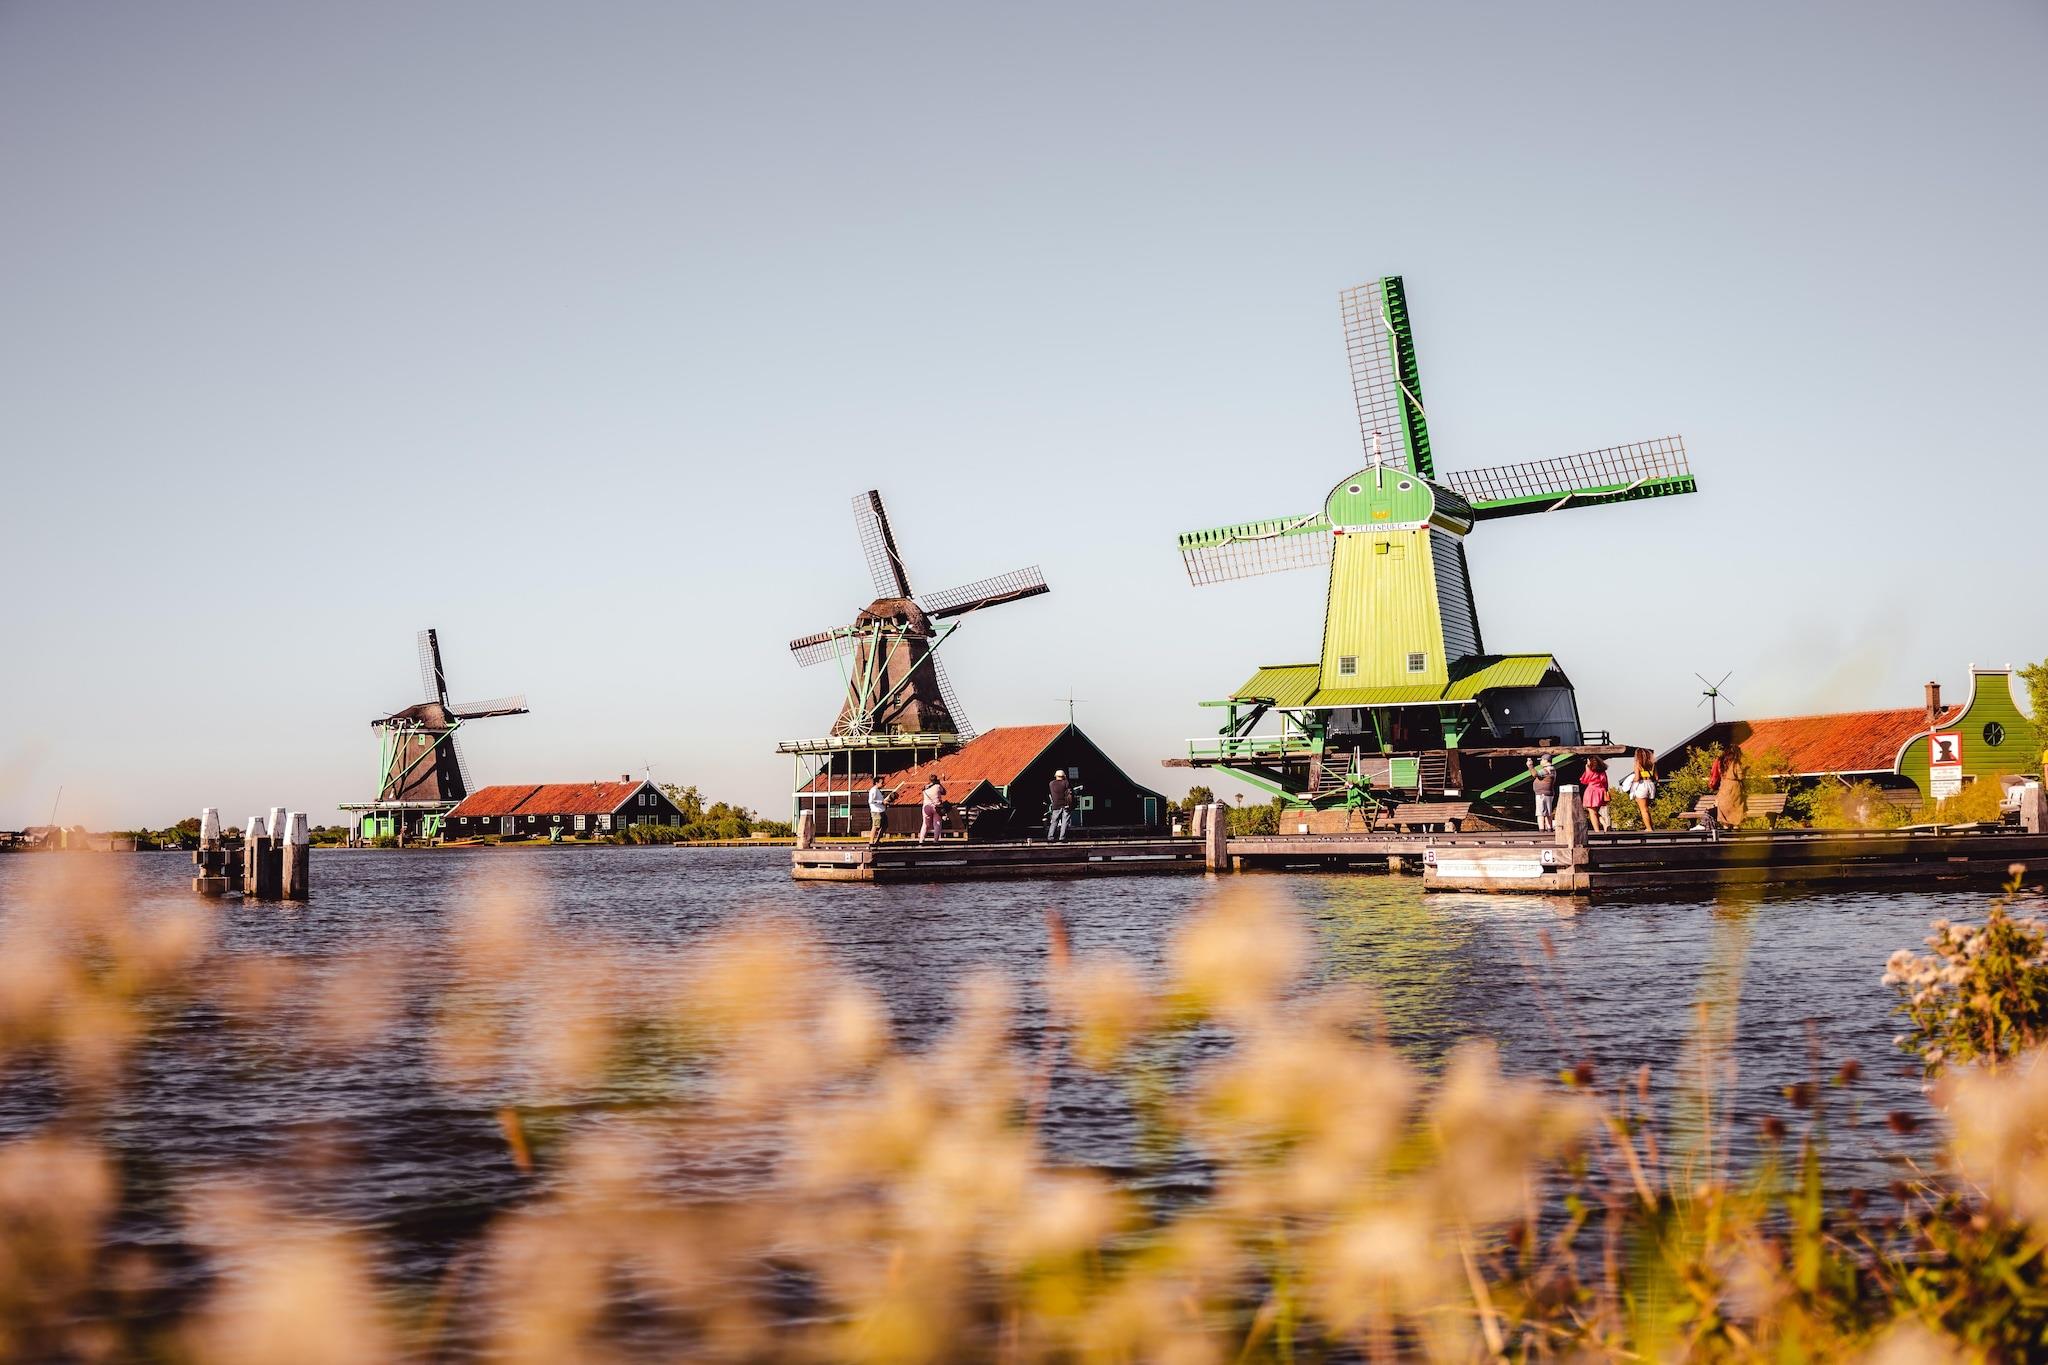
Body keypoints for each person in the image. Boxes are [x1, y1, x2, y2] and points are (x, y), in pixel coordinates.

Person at [1715, 745, 1748, 831]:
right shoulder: (1736, 763)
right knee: (1737, 807)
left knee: (1724, 807)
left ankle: (1725, 826)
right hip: (1734, 787)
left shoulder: (1722, 763)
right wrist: (1745, 770)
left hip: (1723, 786)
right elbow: (1740, 776)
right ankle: (1736, 826)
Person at [1527, 756, 1557, 832]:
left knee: (1540, 813)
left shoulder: (1547, 769)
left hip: (1542, 795)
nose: (1540, 762)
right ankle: (1549, 829)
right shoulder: (1552, 769)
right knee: (1548, 813)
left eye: (1541, 760)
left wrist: (1530, 766)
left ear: (1545, 760)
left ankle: (1541, 831)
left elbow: (1535, 774)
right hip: (1547, 794)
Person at [1630, 748, 1658, 832]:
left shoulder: (1638, 764)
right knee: (1647, 808)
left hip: (1642, 785)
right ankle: (1651, 826)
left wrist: (1630, 781)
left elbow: (1637, 778)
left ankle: (1649, 828)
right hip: (1650, 784)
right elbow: (1656, 777)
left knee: (1643, 809)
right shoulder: (1652, 764)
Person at [1582, 755, 1611, 832]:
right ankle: (1604, 824)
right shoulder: (1602, 771)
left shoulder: (1589, 769)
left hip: (1591, 791)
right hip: (1601, 791)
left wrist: (1587, 767)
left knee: (1592, 812)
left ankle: (1597, 830)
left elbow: (1585, 780)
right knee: (1595, 812)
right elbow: (1606, 783)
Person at [1047, 768, 1074, 842]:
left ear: (1056, 776)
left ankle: (1050, 837)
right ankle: (1062, 837)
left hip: (1056, 805)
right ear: (1063, 776)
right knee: (1065, 822)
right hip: (1065, 805)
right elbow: (1070, 792)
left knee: (1054, 822)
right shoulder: (1066, 783)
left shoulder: (1051, 783)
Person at [918, 775, 946, 843]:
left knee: (925, 824)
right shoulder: (938, 786)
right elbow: (944, 792)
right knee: (937, 823)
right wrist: (939, 784)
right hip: (937, 807)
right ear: (936, 780)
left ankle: (921, 840)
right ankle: (935, 840)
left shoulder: (925, 787)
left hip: (926, 806)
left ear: (929, 780)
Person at [865, 779, 889, 844]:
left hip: (882, 811)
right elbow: (871, 801)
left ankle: (877, 840)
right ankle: (871, 842)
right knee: (875, 826)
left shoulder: (878, 791)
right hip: (876, 811)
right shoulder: (873, 790)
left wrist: (885, 803)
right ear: (876, 783)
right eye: (882, 783)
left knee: (885, 825)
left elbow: (881, 801)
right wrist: (882, 802)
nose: (883, 784)